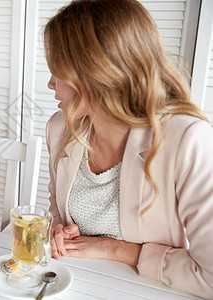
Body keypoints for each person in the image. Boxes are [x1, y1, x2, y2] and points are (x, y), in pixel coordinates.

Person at [43, 0, 213, 298]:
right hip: (75, 285)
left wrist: (117, 250)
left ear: (97, 74)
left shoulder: (188, 140)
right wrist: (58, 230)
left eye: (59, 71)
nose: (50, 83)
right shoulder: (60, 129)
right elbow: (57, 208)